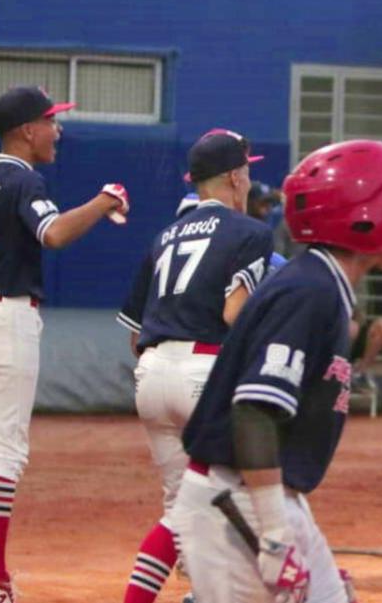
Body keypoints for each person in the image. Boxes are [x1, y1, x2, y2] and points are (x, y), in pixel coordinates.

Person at [173, 139, 382, 603]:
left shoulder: (320, 285)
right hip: (237, 499)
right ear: (360, 215)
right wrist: (276, 535)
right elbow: (254, 410)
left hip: (256, 494)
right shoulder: (309, 292)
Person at [115, 130, 272, 603]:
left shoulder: (165, 236)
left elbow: (135, 334)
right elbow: (234, 312)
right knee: (245, 501)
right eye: (246, 172)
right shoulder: (250, 232)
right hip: (205, 373)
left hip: (152, 375)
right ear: (234, 177)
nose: (248, 180)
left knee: (182, 510)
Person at [0, 86, 129, 597]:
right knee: (2, 451)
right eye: (51, 121)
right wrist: (103, 200)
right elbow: (52, 233)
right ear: (27, 131)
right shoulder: (22, 178)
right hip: (6, 317)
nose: (58, 129)